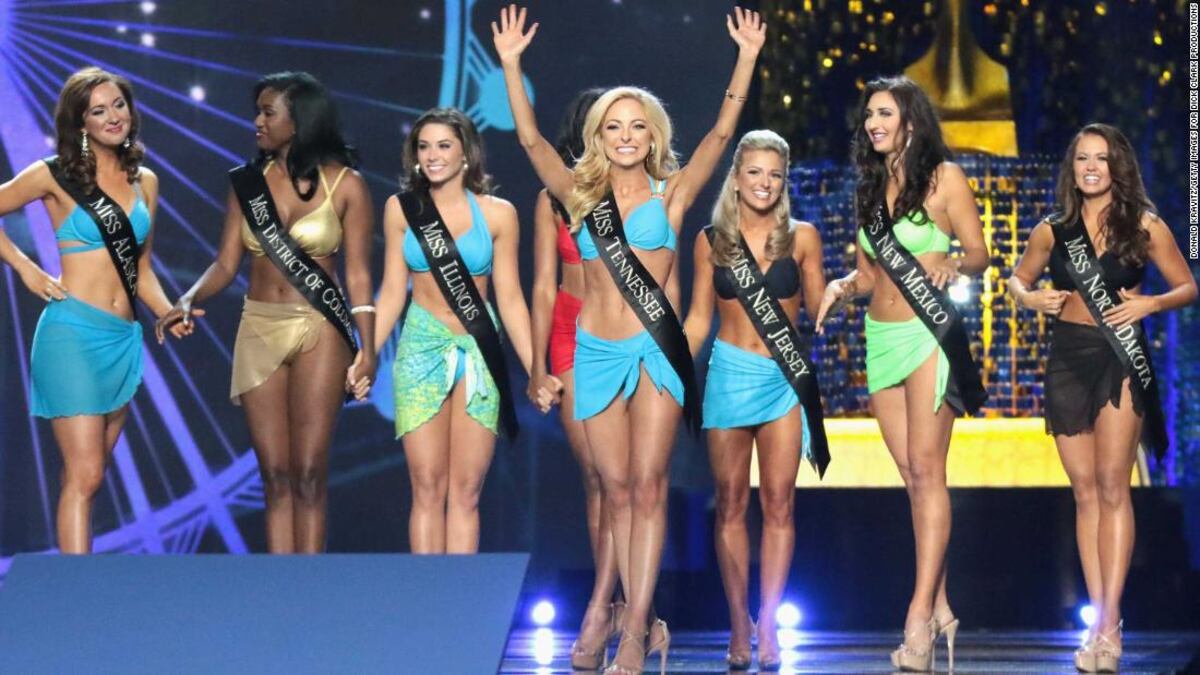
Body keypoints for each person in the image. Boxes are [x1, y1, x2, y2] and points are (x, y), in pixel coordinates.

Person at [493, 4, 765, 671]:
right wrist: (510, 65)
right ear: (597, 135)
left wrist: (747, 58)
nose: (625, 136)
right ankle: (624, 613)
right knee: (614, 490)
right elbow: (530, 142)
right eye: (613, 126)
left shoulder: (672, 194)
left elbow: (721, 133)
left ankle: (638, 626)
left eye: (637, 126)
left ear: (652, 136)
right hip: (595, 352)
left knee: (648, 486)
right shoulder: (577, 196)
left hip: (655, 352)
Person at [158, 72, 376, 553]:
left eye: (267, 112)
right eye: (257, 111)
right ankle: (279, 584)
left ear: (298, 121)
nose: (257, 121)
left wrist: (369, 349)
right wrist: (189, 297)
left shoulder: (347, 186)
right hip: (258, 326)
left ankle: (310, 586)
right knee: (275, 474)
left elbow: (359, 275)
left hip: (320, 329)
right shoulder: (246, 185)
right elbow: (225, 264)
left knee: (309, 471)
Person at [1007, 123, 1196, 673]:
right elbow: (1018, 280)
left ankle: (1109, 625)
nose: (1091, 167)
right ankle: (1099, 622)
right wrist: (1030, 298)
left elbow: (1188, 286)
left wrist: (1149, 305)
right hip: (1068, 357)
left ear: (1118, 166)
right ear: (1072, 168)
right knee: (1085, 492)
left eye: (1102, 158)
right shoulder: (1052, 229)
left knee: (1114, 486)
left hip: (1120, 356)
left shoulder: (1145, 225)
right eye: (1083, 158)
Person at [816, 75, 990, 671]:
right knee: (912, 478)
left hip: (928, 333)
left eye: (884, 113)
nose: (873, 123)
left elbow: (980, 253)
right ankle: (941, 607)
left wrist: (952, 263)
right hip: (881, 337)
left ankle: (918, 616)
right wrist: (842, 286)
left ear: (911, 119)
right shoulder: (870, 188)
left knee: (927, 468)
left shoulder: (945, 178)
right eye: (869, 115)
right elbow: (869, 276)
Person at [0, 67, 179, 553]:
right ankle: (77, 586)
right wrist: (24, 267)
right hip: (72, 336)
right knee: (86, 473)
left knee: (87, 478)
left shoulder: (146, 182)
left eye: (118, 105)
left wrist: (168, 311)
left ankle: (76, 575)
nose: (113, 117)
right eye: (99, 111)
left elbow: (141, 268)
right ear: (81, 122)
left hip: (122, 340)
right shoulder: (52, 174)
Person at [682, 129, 825, 670]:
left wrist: (853, 285)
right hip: (728, 377)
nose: (765, 183)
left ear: (784, 182)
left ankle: (768, 622)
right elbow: (699, 318)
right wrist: (669, 365)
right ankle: (739, 622)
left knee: (780, 504)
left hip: (783, 378)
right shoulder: (711, 241)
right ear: (737, 178)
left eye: (775, 175)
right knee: (731, 503)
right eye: (755, 173)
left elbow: (819, 307)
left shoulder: (803, 237)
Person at [373, 107, 536, 555]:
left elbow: (511, 298)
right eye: (424, 147)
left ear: (466, 153)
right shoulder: (401, 210)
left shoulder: (499, 215)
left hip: (479, 350)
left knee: (466, 491)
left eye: (444, 145)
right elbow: (392, 292)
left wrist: (535, 369)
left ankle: (459, 595)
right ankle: (427, 593)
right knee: (427, 485)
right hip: (420, 347)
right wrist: (365, 355)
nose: (432, 155)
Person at [528, 88, 633, 669]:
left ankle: (609, 606)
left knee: (622, 479)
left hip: (625, 334)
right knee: (595, 475)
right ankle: (608, 599)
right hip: (571, 334)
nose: (616, 134)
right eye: (604, 124)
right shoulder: (556, 196)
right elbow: (544, 285)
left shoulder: (642, 190)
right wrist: (537, 365)